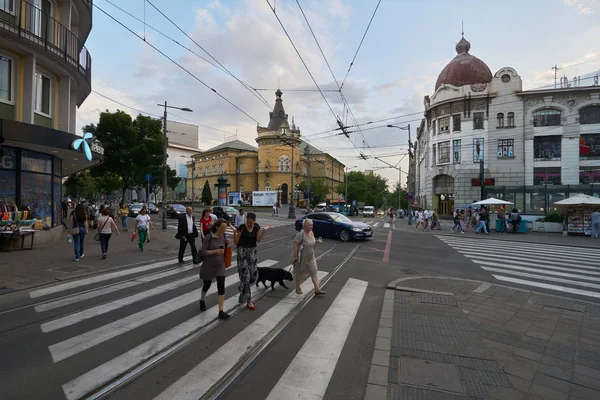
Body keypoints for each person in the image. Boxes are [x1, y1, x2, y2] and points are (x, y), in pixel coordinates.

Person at [234, 213, 270, 310]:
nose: (249, 224)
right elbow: (236, 242)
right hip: (242, 253)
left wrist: (263, 232)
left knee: (253, 277)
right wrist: (235, 233)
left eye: (251, 222)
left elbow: (258, 240)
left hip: (253, 253)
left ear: (254, 221)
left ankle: (242, 288)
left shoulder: (256, 227)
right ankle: (249, 300)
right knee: (246, 278)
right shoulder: (242, 227)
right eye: (248, 222)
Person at [199, 219, 230, 320]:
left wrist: (227, 244)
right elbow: (203, 252)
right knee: (206, 285)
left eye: (225, 228)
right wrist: (215, 251)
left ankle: (221, 311)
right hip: (208, 265)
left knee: (221, 286)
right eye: (223, 228)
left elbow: (224, 250)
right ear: (217, 227)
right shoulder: (209, 237)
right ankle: (202, 300)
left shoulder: (224, 237)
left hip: (220, 265)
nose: (224, 230)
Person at [292, 218, 325, 295]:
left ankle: (317, 289)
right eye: (309, 225)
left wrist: (317, 241)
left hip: (311, 256)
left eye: (312, 225)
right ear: (305, 226)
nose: (311, 226)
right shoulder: (300, 234)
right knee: (299, 272)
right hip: (302, 257)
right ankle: (298, 287)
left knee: (314, 271)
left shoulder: (312, 233)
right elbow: (295, 244)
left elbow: (311, 242)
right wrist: (295, 256)